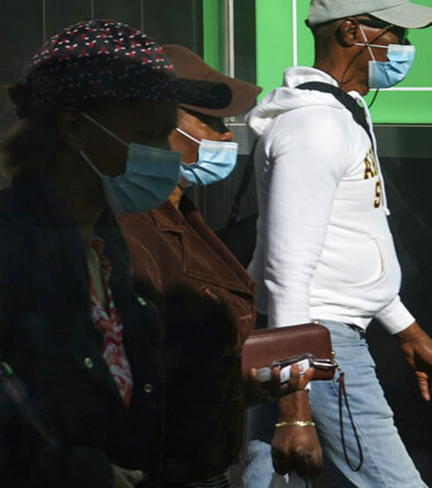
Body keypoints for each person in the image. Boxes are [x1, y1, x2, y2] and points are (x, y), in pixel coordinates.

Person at [0, 20, 234, 487]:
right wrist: (76, 474)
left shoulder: (105, 249)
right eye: (150, 133)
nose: (166, 155)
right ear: (74, 127)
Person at [241, 0, 432, 486]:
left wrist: (406, 330)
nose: (405, 49)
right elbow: (288, 273)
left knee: (262, 477)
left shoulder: (342, 115)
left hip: (312, 335)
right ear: (350, 33)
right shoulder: (314, 126)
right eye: (395, 35)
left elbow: (349, 244)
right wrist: (295, 408)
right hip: (320, 343)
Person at [118, 46, 311, 488]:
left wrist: (244, 386)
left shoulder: (178, 209)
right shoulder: (129, 227)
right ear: (157, 124)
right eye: (213, 123)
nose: (227, 139)